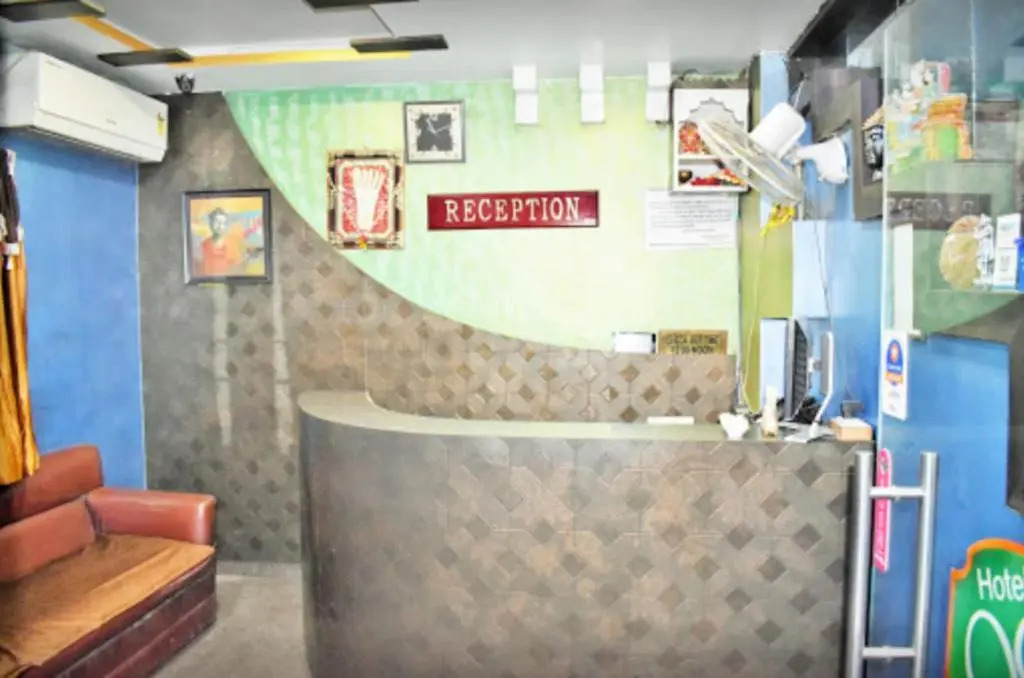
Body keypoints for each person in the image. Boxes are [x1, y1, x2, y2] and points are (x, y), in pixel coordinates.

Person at [198, 207, 249, 277]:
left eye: (223, 223)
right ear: (210, 223)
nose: (220, 226)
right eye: (217, 222)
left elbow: (238, 270)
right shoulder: (204, 245)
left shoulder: (232, 244)